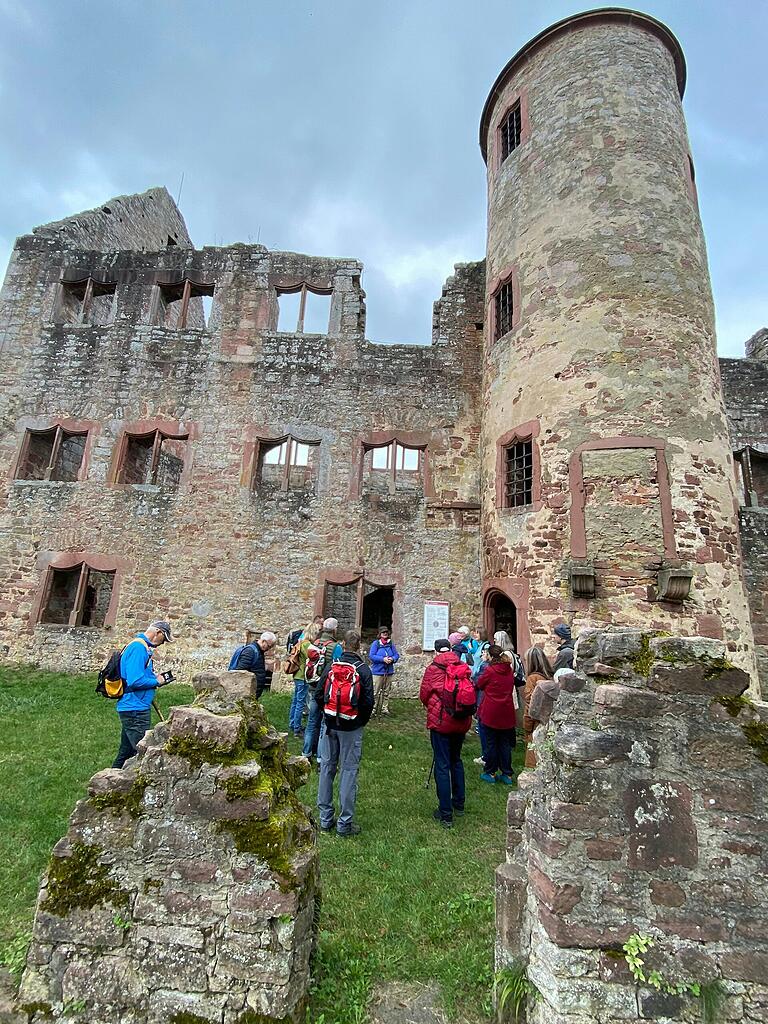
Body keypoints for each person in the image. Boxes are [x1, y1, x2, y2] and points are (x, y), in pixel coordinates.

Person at [316, 629, 374, 837]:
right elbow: (368, 703)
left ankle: (324, 819)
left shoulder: (332, 667)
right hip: (351, 728)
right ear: (358, 646)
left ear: (343, 644)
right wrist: (359, 722)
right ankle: (345, 823)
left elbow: (318, 694)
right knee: (348, 772)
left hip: (330, 726)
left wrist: (328, 715)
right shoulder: (364, 670)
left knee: (326, 769)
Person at [419, 638, 472, 829]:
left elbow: (424, 694)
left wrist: (433, 706)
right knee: (456, 760)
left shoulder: (433, 669)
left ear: (436, 651)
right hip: (461, 720)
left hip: (441, 722)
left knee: (442, 764)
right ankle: (459, 803)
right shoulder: (462, 665)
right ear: (450, 649)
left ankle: (445, 813)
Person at [112, 620, 173, 769]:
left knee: (126, 751)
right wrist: (157, 682)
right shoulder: (139, 648)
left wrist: (153, 679)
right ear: (158, 632)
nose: (163, 643)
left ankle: (109, 783)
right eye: (164, 639)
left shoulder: (141, 647)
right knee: (142, 752)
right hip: (135, 709)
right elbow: (135, 681)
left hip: (133, 706)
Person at [303, 618, 343, 765]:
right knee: (324, 726)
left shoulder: (315, 643)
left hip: (313, 687)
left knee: (312, 722)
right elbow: (338, 670)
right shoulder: (335, 647)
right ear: (334, 630)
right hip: (326, 690)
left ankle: (306, 753)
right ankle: (320, 758)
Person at [476, 644, 517, 785]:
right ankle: (507, 774)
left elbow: (480, 684)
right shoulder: (509, 670)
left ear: (491, 656)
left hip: (491, 710)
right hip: (506, 709)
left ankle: (490, 772)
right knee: (504, 744)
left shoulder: (490, 671)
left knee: (491, 743)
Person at [522, 647, 555, 768]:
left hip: (536, 724)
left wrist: (527, 727)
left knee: (533, 763)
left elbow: (530, 706)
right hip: (548, 722)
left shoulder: (533, 678)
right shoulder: (550, 677)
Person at [288, 621, 320, 737]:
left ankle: (292, 724)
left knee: (295, 701)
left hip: (297, 675)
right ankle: (297, 728)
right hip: (303, 676)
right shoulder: (308, 646)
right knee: (300, 703)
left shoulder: (301, 642)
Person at [234, 630, 277, 699]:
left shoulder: (259, 651)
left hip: (252, 693)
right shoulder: (250, 651)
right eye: (269, 646)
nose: (268, 649)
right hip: (246, 694)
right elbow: (240, 673)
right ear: (263, 641)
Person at [369, 626, 400, 716]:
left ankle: (384, 709)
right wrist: (383, 659)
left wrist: (392, 659)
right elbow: (372, 656)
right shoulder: (376, 644)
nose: (385, 634)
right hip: (378, 672)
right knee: (375, 692)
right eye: (383, 632)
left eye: (386, 632)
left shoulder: (390, 644)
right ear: (379, 634)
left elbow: (396, 655)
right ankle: (373, 709)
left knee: (386, 692)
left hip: (388, 671)